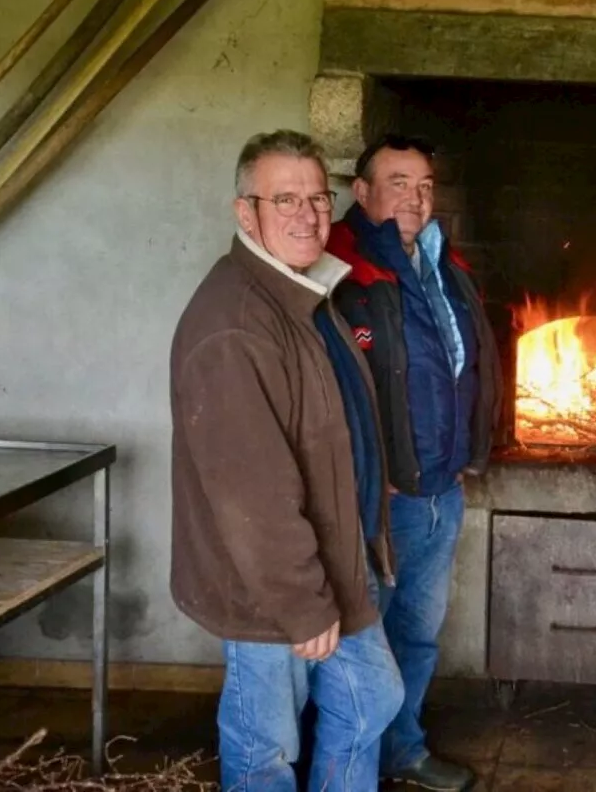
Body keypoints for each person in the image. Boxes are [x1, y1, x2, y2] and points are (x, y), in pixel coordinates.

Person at [170, 130, 403, 791]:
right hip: (270, 584)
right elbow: (252, 495)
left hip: (330, 555)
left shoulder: (301, 294)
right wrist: (303, 605)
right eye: (285, 199)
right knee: (265, 745)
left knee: (370, 697)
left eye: (317, 198)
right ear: (246, 212)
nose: (308, 214)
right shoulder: (237, 324)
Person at [326, 134, 501, 792]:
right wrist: (373, 479)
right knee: (361, 643)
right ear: (362, 191)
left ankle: (403, 747)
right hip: (380, 498)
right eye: (397, 182)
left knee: (419, 635)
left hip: (440, 489)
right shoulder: (339, 270)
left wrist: (465, 456)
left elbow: (464, 366)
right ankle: (351, 766)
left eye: (424, 184)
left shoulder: (442, 264)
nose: (415, 196)